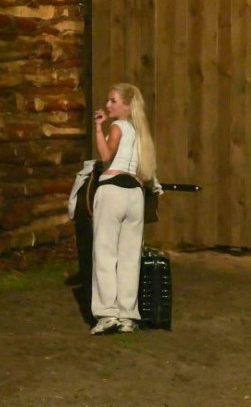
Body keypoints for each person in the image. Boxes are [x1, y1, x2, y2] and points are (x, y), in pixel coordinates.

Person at [90, 83, 157, 335]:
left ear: (127, 106)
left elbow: (106, 155)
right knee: (130, 257)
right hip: (134, 195)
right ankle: (128, 314)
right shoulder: (141, 133)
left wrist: (99, 128)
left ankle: (108, 313)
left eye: (113, 101)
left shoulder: (117, 126)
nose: (108, 105)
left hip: (113, 192)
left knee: (105, 253)